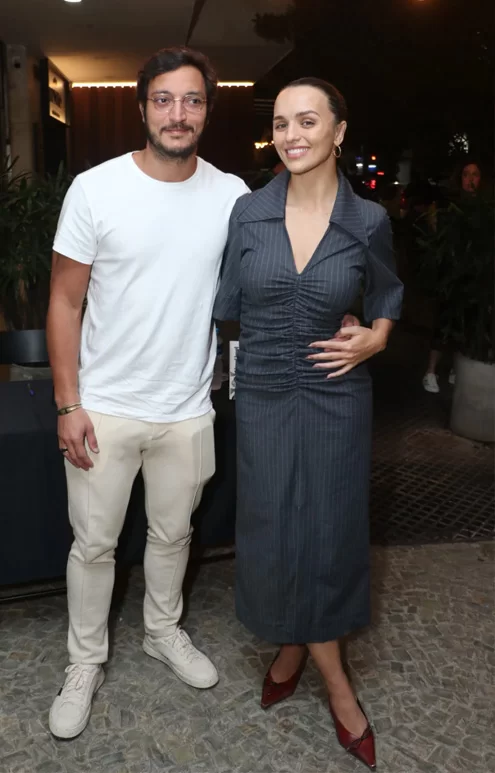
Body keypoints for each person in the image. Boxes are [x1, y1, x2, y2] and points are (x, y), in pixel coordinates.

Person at [45, 46, 251, 740]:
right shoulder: (95, 189)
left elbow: (263, 286)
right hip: (104, 405)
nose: (177, 113)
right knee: (94, 545)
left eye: (191, 100)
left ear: (207, 112)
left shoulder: (231, 196)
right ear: (141, 109)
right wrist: (68, 404)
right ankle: (84, 660)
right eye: (163, 99)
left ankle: (162, 631)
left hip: (188, 408)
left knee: (174, 534)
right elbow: (64, 302)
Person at [214, 77, 403, 770]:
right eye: (280, 123)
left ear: (338, 131)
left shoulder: (369, 221)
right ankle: (301, 650)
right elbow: (224, 300)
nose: (291, 135)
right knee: (269, 528)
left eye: (307, 121)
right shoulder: (248, 212)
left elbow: (386, 292)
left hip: (334, 393)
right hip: (263, 390)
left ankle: (321, 672)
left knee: (327, 530)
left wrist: (377, 334)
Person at [422, 159, 483, 393]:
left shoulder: (483, 209)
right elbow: (436, 236)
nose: (470, 179)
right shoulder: (449, 207)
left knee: (467, 323)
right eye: (466, 174)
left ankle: (457, 369)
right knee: (443, 322)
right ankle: (430, 371)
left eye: (475, 174)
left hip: (474, 278)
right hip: (450, 277)